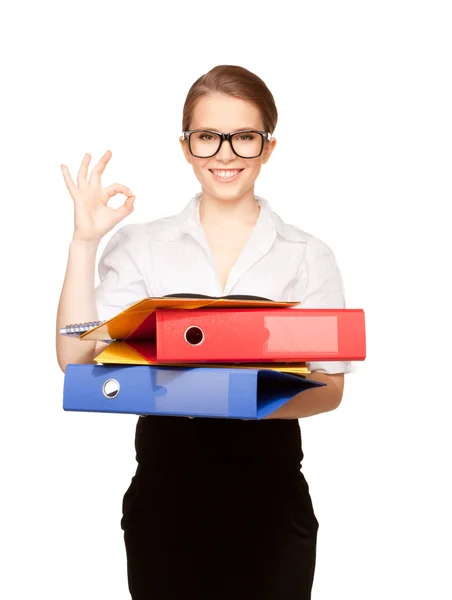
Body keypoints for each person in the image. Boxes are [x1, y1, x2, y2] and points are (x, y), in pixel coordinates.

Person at [56, 64, 352, 600]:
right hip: (166, 500)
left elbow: (330, 388)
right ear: (186, 145)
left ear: (268, 147)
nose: (225, 153)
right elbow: (76, 359)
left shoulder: (307, 255)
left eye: (243, 137)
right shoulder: (141, 246)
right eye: (208, 136)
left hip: (271, 502)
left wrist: (234, 396)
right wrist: (84, 244)